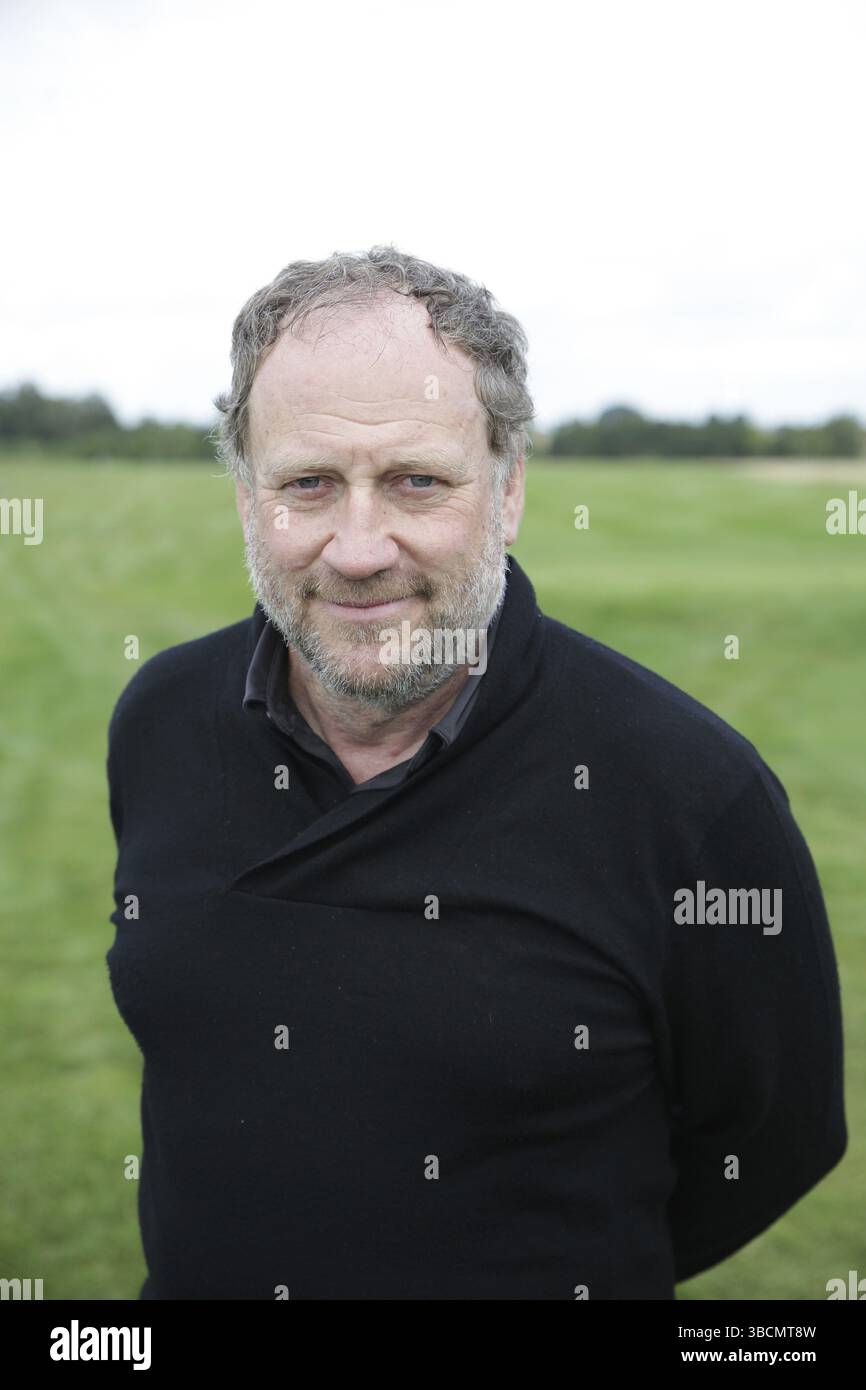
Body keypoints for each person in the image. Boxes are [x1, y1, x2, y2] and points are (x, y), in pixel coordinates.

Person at [105, 245, 846, 1300]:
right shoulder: (162, 718)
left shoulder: (690, 796)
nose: (358, 549)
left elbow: (770, 1143)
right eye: (307, 485)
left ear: (506, 492)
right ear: (243, 498)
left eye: (416, 481)